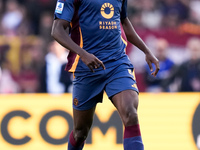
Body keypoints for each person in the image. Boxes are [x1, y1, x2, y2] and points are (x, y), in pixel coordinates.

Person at [51, 0, 160, 150]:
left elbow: (124, 20)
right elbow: (57, 30)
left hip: (117, 63)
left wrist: (146, 51)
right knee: (80, 132)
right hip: (87, 68)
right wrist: (83, 54)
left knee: (130, 113)